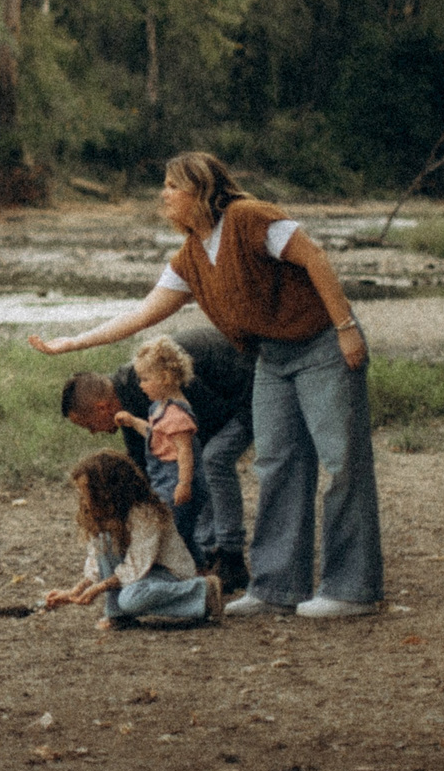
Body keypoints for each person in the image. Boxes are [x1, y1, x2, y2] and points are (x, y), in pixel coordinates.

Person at [30, 151, 383, 621]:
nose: (164, 195)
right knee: (277, 463)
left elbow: (312, 257)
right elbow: (143, 312)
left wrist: (345, 326)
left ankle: (352, 588)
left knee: (341, 461)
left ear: (201, 190)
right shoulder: (191, 256)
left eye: (172, 186)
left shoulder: (248, 218)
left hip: (321, 342)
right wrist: (72, 342)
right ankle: (277, 587)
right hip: (270, 357)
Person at [57, 326, 253, 591]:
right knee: (189, 476)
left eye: (89, 425)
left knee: (211, 460)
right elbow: (140, 465)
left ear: (101, 407)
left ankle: (230, 556)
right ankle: (206, 554)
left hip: (245, 388)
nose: (93, 433)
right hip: (218, 399)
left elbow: (204, 424)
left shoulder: (149, 389)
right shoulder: (127, 397)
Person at [39, 451, 221, 629]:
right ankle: (118, 614)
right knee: (107, 546)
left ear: (107, 491)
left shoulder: (146, 514)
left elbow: (138, 563)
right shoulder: (106, 517)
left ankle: (201, 591)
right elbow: (99, 559)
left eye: (87, 491)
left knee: (131, 598)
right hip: (138, 576)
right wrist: (75, 591)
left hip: (166, 574)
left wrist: (98, 589)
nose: (84, 500)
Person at [115, 333, 198, 519]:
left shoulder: (176, 414)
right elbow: (156, 436)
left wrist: (184, 484)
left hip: (174, 478)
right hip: (162, 477)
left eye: (145, 379)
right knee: (168, 525)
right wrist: (134, 421)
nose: (141, 385)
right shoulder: (158, 407)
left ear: (165, 378)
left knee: (176, 527)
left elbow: (185, 451)